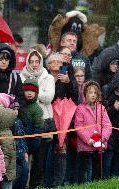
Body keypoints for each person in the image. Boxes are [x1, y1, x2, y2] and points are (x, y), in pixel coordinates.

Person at [20, 50, 55, 188]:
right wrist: (37, 92)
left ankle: (35, 185)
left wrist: (33, 91)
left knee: (40, 161)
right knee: (24, 160)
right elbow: (21, 96)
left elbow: (48, 97)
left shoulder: (48, 77)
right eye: (31, 61)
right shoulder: (21, 76)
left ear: (41, 62)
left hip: (44, 121)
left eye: (37, 61)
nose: (34, 64)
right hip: (26, 121)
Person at [46, 53, 78, 187]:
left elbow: (75, 96)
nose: (56, 63)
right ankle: (46, 181)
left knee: (61, 150)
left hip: (63, 121)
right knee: (47, 151)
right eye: (52, 61)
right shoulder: (44, 77)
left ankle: (58, 182)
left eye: (59, 61)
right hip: (48, 118)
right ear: (48, 65)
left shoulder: (66, 77)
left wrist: (69, 82)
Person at [74, 80, 112, 183]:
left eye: (95, 93)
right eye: (90, 92)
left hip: (99, 145)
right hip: (85, 147)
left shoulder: (102, 108)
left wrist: (103, 137)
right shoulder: (80, 109)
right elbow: (78, 126)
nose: (93, 95)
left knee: (97, 171)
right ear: (85, 94)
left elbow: (107, 125)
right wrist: (87, 139)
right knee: (85, 171)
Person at [21, 79, 44, 188]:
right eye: (26, 90)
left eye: (32, 91)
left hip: (30, 146)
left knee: (28, 169)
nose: (29, 93)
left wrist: (33, 146)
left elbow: (38, 129)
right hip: (19, 144)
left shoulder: (37, 109)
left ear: (36, 92)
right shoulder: (20, 106)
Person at [0, 105, 18, 189]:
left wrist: (1, 170)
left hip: (5, 173)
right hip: (2, 171)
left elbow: (7, 155)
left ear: (4, 121)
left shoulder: (5, 135)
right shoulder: (1, 132)